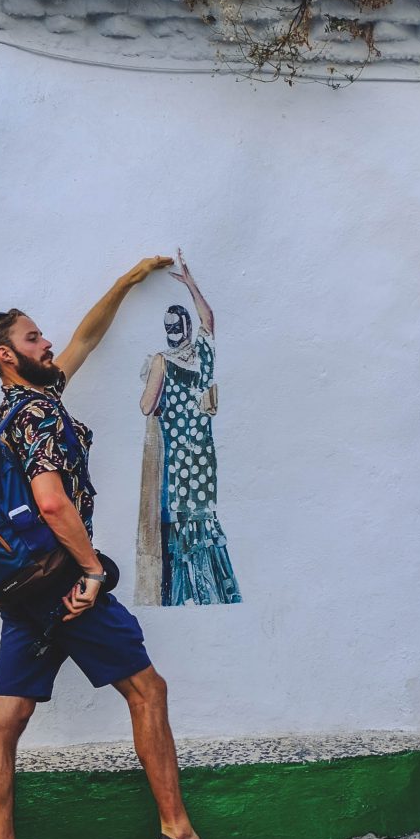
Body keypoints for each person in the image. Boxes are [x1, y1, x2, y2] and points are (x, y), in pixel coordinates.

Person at [0, 260, 232, 839]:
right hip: (69, 588)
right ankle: (176, 830)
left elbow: (85, 338)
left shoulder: (23, 408)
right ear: (9, 355)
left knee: (7, 720)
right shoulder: (38, 418)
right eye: (35, 339)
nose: (50, 344)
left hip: (25, 593)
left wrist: (123, 284)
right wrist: (93, 570)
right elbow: (53, 502)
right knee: (148, 689)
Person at [136, 251, 241, 607]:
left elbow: (146, 406)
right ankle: (213, 590)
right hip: (204, 458)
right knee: (204, 520)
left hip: (178, 461)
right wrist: (192, 285)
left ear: (170, 332)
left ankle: (183, 595)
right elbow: (209, 319)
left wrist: (151, 378)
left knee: (180, 526)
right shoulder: (203, 353)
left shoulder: (163, 362)